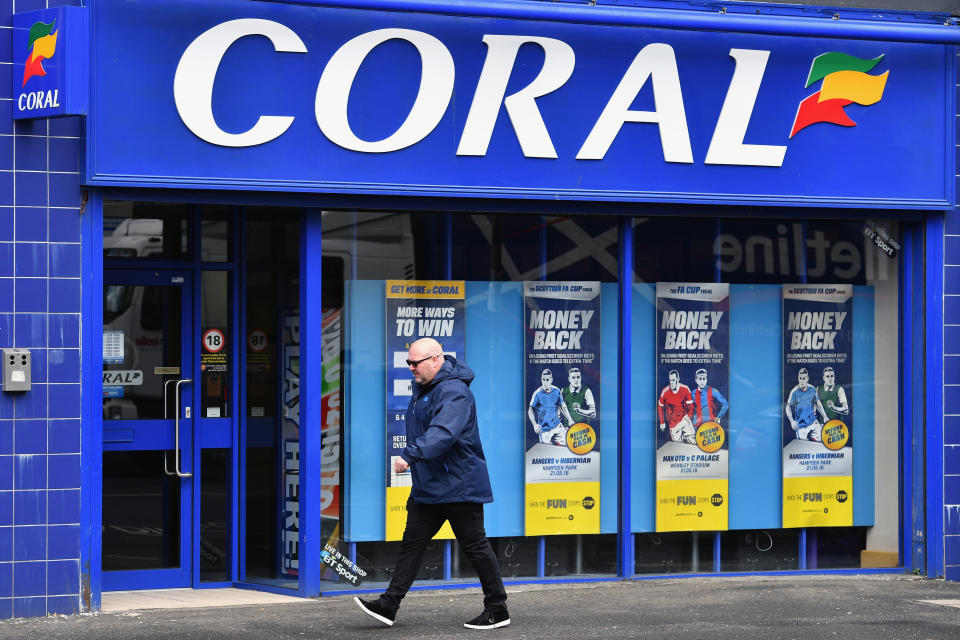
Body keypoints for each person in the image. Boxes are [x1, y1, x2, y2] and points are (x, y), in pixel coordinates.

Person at [355, 338, 509, 630]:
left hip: (459, 484)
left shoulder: (454, 391)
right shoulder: (426, 388)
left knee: (475, 544)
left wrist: (410, 456)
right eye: (408, 362)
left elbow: (444, 433)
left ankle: (498, 608)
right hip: (430, 485)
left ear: (436, 360)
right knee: (412, 544)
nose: (410, 368)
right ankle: (389, 604)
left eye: (416, 363)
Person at [528, 368, 574, 446]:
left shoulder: (556, 391)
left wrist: (570, 419)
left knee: (567, 446)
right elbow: (530, 410)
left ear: (551, 379)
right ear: (541, 380)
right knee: (547, 451)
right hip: (544, 429)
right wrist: (534, 424)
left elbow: (563, 405)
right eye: (543, 380)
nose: (545, 382)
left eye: (547, 379)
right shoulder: (537, 393)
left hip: (557, 425)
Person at [785, 367, 829, 442]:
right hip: (801, 425)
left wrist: (825, 416)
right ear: (798, 378)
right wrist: (792, 421)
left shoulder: (812, 389)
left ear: (807, 378)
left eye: (804, 378)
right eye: (800, 378)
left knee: (821, 442)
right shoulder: (794, 392)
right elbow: (788, 407)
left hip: (813, 421)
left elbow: (817, 403)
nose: (802, 381)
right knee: (803, 447)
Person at [658, 369, 695, 444]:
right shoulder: (665, 392)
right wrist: (662, 422)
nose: (671, 383)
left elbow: (690, 405)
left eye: (673, 380)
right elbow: (660, 406)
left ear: (678, 379)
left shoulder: (685, 389)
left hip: (684, 419)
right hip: (673, 424)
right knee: (677, 447)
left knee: (693, 442)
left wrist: (689, 415)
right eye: (670, 380)